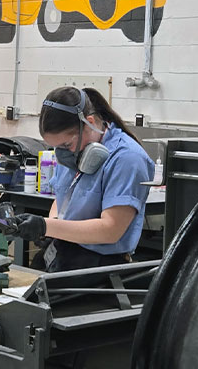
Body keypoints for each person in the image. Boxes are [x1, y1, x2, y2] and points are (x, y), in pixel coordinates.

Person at [9, 86, 155, 272]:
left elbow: (110, 230)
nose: (63, 153)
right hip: (63, 253)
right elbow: (63, 197)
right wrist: (50, 226)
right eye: (57, 147)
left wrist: (47, 226)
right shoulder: (72, 153)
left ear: (90, 122)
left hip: (99, 267)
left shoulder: (127, 159)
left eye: (66, 144)